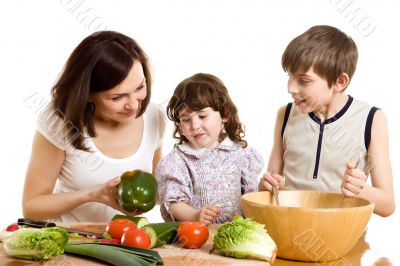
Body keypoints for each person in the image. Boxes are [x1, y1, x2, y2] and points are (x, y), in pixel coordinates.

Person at [22, 31, 166, 222]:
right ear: (87, 93)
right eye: (117, 97)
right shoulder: (60, 120)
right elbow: (32, 207)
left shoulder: (154, 117)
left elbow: (158, 193)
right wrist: (92, 194)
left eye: (140, 87)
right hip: (71, 243)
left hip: (126, 243)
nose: (134, 105)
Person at [258, 25, 395, 217]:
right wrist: (266, 185)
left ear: (340, 82)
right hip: (289, 229)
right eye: (289, 76)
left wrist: (359, 189)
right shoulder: (286, 114)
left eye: (304, 80)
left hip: (342, 237)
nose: (291, 88)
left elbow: (388, 205)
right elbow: (270, 185)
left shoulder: (372, 119)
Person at [156, 73, 264, 225]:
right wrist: (195, 215)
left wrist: (264, 188)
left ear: (224, 114)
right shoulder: (177, 161)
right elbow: (174, 204)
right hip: (195, 238)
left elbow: (251, 197)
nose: (195, 126)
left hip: (235, 237)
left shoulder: (241, 155)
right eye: (186, 119)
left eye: (202, 116)